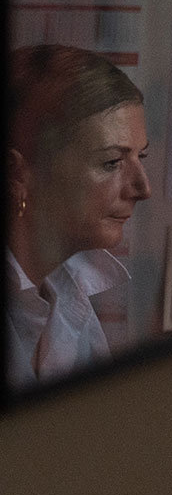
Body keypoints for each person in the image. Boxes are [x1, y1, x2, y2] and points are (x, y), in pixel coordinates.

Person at [6, 44, 152, 391]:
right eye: (112, 162)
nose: (142, 188)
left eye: (140, 156)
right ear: (17, 174)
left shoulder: (67, 294)